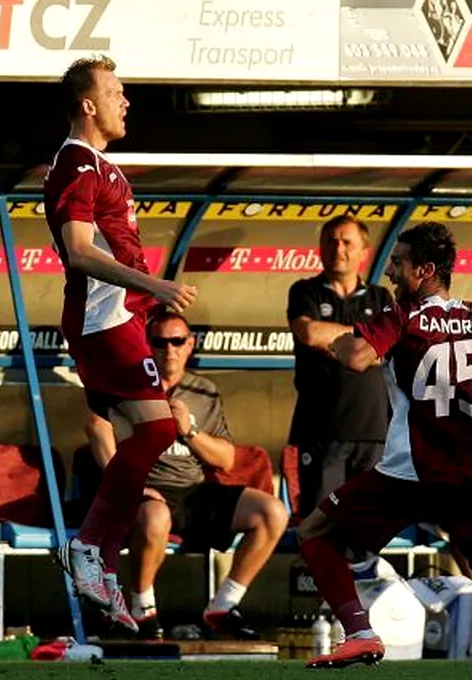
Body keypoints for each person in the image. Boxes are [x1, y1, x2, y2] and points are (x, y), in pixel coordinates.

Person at [295, 222, 472, 670]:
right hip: (470, 473)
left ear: (425, 270)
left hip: (412, 468)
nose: (392, 271)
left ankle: (360, 632)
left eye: (399, 262)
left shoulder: (403, 316)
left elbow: (359, 358)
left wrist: (341, 342)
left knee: (314, 532)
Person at [44, 55, 196, 630]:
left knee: (150, 433)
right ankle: (89, 547)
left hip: (120, 319)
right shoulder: (77, 165)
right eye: (116, 92)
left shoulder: (103, 166)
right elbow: (78, 251)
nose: (126, 101)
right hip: (102, 320)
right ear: (89, 104)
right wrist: (153, 283)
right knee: (158, 430)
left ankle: (101, 564)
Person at [84, 311, 287, 641]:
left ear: (190, 345)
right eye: (159, 342)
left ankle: (223, 607)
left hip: (194, 490)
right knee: (155, 516)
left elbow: (226, 458)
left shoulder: (203, 391)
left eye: (177, 341)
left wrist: (190, 430)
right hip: (148, 489)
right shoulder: (126, 385)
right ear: (146, 346)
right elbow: (96, 429)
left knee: (272, 512)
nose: (169, 350)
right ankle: (141, 610)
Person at [286, 215, 390, 519]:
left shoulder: (380, 297)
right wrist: (363, 342)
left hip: (373, 429)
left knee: (367, 520)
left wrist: (335, 341)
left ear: (363, 252)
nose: (338, 249)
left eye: (347, 242)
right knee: (321, 520)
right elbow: (308, 333)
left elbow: (386, 351)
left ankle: (360, 570)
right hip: (321, 429)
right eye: (330, 241)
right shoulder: (305, 291)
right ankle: (315, 570)